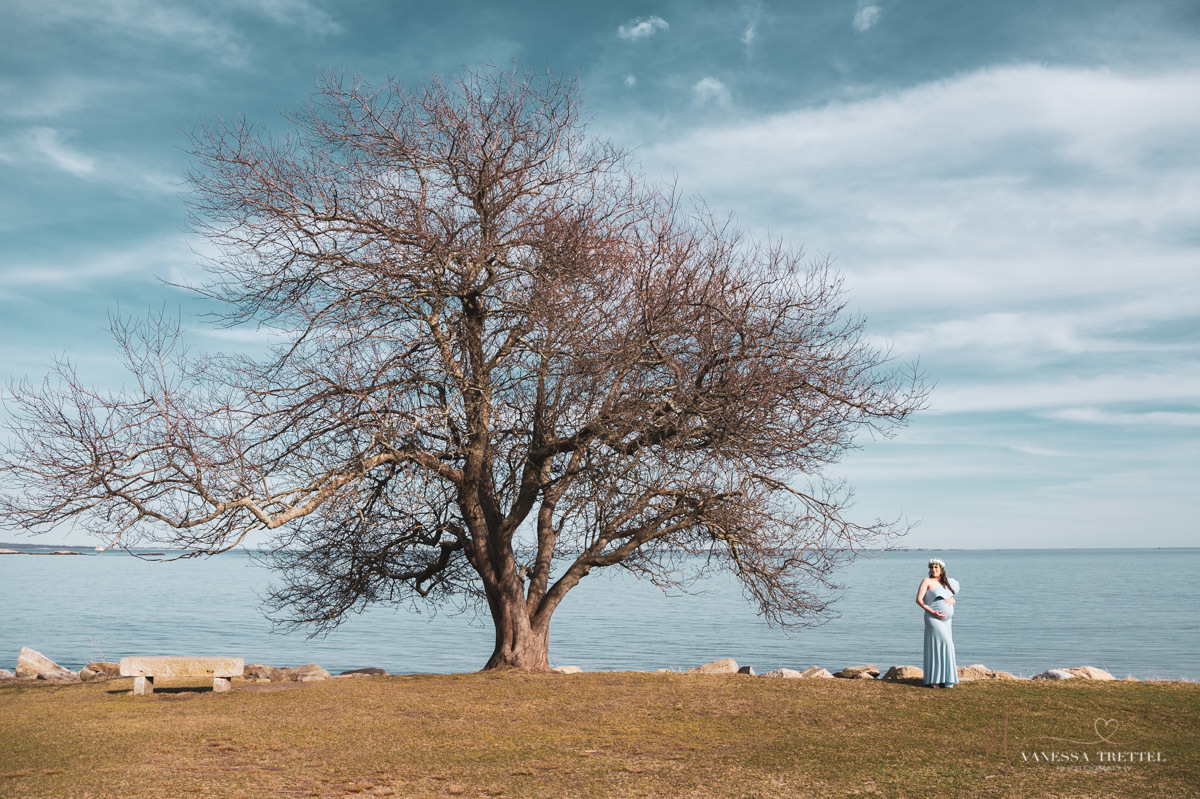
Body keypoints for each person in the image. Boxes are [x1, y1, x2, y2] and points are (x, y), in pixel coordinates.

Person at [916, 557, 959, 688]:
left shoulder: (946, 583)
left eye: (936, 567)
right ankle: (934, 679)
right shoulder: (926, 581)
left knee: (943, 647)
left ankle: (946, 680)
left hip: (947, 620)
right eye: (932, 567)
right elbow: (919, 600)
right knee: (946, 645)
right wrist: (933, 612)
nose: (934, 570)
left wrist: (953, 601)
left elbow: (950, 598)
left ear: (941, 569)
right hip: (933, 618)